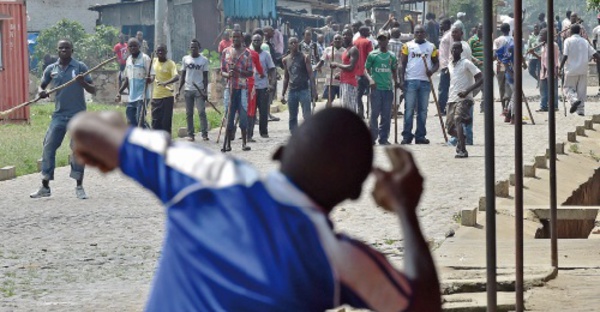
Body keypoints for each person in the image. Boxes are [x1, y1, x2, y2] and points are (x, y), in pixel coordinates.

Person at [67, 107, 442, 311]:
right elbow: (422, 304)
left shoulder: (210, 177)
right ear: (354, 194)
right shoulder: (341, 261)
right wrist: (406, 207)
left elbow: (85, 129)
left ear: (279, 152)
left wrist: (116, 132)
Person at [30, 39, 96, 199]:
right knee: (48, 146)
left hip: (78, 116)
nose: (64, 50)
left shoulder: (80, 67)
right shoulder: (51, 69)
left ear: (72, 50)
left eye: (67, 48)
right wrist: (41, 92)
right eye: (61, 48)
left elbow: (93, 90)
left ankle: (79, 186)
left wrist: (83, 83)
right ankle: (45, 186)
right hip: (59, 116)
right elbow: (42, 86)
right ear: (57, 50)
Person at [399, 25, 439, 145]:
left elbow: (437, 63)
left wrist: (431, 71)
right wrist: (401, 80)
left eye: (422, 32)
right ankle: (407, 136)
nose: (420, 34)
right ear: (414, 33)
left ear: (425, 34)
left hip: (425, 82)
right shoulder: (407, 46)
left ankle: (420, 136)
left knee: (422, 110)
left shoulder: (431, 47)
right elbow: (402, 64)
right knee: (409, 109)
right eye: (417, 32)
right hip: (410, 81)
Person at [446, 42, 482, 158]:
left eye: (457, 49)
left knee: (458, 119)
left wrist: (467, 91)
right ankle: (462, 137)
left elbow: (481, 78)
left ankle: (462, 149)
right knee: (450, 129)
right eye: (452, 49)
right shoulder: (450, 65)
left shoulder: (466, 63)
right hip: (452, 98)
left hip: (464, 98)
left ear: (461, 51)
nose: (454, 51)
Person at [221, 30, 254, 151]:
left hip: (242, 89)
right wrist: (228, 74)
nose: (235, 39)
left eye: (237, 37)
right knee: (229, 116)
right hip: (229, 88)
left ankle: (244, 143)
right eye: (233, 37)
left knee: (243, 116)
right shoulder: (226, 52)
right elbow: (222, 71)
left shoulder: (247, 54)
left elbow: (250, 72)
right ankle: (228, 143)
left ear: (241, 38)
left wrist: (238, 71)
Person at [365, 30, 398, 146]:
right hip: (376, 89)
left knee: (386, 114)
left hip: (388, 89)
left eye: (384, 39)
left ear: (388, 40)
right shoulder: (372, 55)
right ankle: (372, 137)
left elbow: (394, 70)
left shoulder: (392, 56)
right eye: (380, 39)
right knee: (374, 114)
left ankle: (383, 138)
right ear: (378, 40)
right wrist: (370, 80)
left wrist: (397, 82)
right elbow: (366, 70)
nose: (382, 41)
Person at [559, 24, 600, 116]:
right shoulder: (585, 41)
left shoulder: (567, 41)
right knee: (581, 91)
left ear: (570, 31)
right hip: (583, 70)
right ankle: (581, 110)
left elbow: (565, 55)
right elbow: (595, 54)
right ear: (580, 32)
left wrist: (560, 67)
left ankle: (574, 100)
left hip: (570, 70)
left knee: (568, 88)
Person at [176, 39, 210, 142]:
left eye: (195, 47)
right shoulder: (185, 59)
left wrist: (205, 91)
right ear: (189, 48)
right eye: (191, 47)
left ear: (199, 48)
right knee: (189, 113)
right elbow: (183, 75)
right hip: (188, 89)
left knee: (201, 112)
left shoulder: (203, 60)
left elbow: (205, 77)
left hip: (199, 90)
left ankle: (204, 134)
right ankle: (191, 134)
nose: (193, 49)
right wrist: (179, 89)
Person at [281, 36, 316, 133]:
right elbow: (286, 77)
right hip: (292, 91)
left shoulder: (304, 57)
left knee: (307, 115)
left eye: (295, 42)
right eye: (291, 43)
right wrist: (283, 94)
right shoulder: (285, 60)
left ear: (298, 44)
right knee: (292, 116)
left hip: (304, 90)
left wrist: (314, 91)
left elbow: (311, 75)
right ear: (288, 45)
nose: (294, 45)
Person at [117, 38, 152, 127]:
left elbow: (152, 76)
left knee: (140, 120)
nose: (133, 48)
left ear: (139, 46)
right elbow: (127, 80)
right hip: (132, 97)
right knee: (131, 120)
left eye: (135, 46)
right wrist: (119, 92)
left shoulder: (145, 58)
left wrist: (149, 79)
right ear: (128, 48)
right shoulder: (128, 60)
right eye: (130, 46)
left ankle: (150, 137)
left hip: (142, 96)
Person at [250, 34, 276, 139]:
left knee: (263, 111)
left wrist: (272, 84)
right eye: (254, 40)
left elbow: (272, 69)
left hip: (263, 86)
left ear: (262, 42)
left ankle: (263, 132)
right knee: (251, 111)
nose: (256, 42)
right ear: (252, 41)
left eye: (258, 40)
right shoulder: (248, 54)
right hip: (251, 87)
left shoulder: (266, 55)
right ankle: (249, 133)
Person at [150, 44, 179, 134]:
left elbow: (176, 77)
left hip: (167, 97)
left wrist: (165, 83)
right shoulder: (153, 62)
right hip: (156, 97)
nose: (160, 52)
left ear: (166, 52)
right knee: (155, 122)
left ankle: (166, 143)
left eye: (162, 51)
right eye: (158, 51)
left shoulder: (170, 63)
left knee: (166, 123)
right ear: (156, 52)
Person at [330, 29, 360, 113]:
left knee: (350, 111)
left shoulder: (353, 50)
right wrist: (340, 74)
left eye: (348, 35)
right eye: (344, 34)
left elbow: (351, 67)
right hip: (343, 83)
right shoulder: (346, 50)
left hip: (350, 84)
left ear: (352, 36)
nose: (345, 36)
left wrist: (337, 64)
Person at [315, 34, 345, 108]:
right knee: (329, 99)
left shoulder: (345, 51)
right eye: (336, 39)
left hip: (341, 79)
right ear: (333, 40)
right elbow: (322, 60)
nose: (337, 40)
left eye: (339, 39)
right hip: (330, 80)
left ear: (342, 41)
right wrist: (317, 67)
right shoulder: (328, 49)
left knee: (343, 101)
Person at [536, 28, 559, 112]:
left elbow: (556, 60)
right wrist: (533, 53)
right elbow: (542, 58)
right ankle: (543, 106)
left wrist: (556, 70)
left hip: (551, 71)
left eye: (542, 35)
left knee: (553, 89)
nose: (540, 37)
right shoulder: (543, 46)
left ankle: (554, 105)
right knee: (543, 90)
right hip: (543, 71)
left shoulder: (554, 45)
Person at [493, 23, 513, 118]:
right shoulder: (513, 39)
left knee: (501, 88)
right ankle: (508, 109)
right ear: (509, 30)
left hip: (500, 67)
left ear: (500, 30)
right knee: (510, 88)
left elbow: (494, 55)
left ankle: (503, 109)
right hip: (511, 67)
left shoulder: (497, 40)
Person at [438, 19, 458, 115]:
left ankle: (442, 109)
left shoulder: (450, 35)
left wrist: (449, 65)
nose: (440, 26)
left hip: (447, 66)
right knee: (444, 88)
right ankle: (443, 108)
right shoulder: (445, 34)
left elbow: (452, 50)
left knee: (444, 88)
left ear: (447, 24)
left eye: (442, 24)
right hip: (444, 65)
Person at [355, 26, 374, 119]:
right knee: (370, 94)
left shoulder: (354, 42)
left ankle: (360, 112)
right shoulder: (367, 42)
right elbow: (371, 57)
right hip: (367, 72)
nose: (369, 32)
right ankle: (369, 113)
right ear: (362, 31)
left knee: (358, 95)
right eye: (367, 30)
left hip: (357, 73)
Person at [468, 24, 485, 112]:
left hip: (484, 68)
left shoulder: (486, 39)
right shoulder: (472, 40)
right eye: (480, 28)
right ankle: (467, 99)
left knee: (486, 88)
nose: (482, 30)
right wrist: (476, 61)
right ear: (477, 29)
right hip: (476, 69)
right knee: (476, 87)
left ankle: (484, 107)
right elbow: (468, 53)